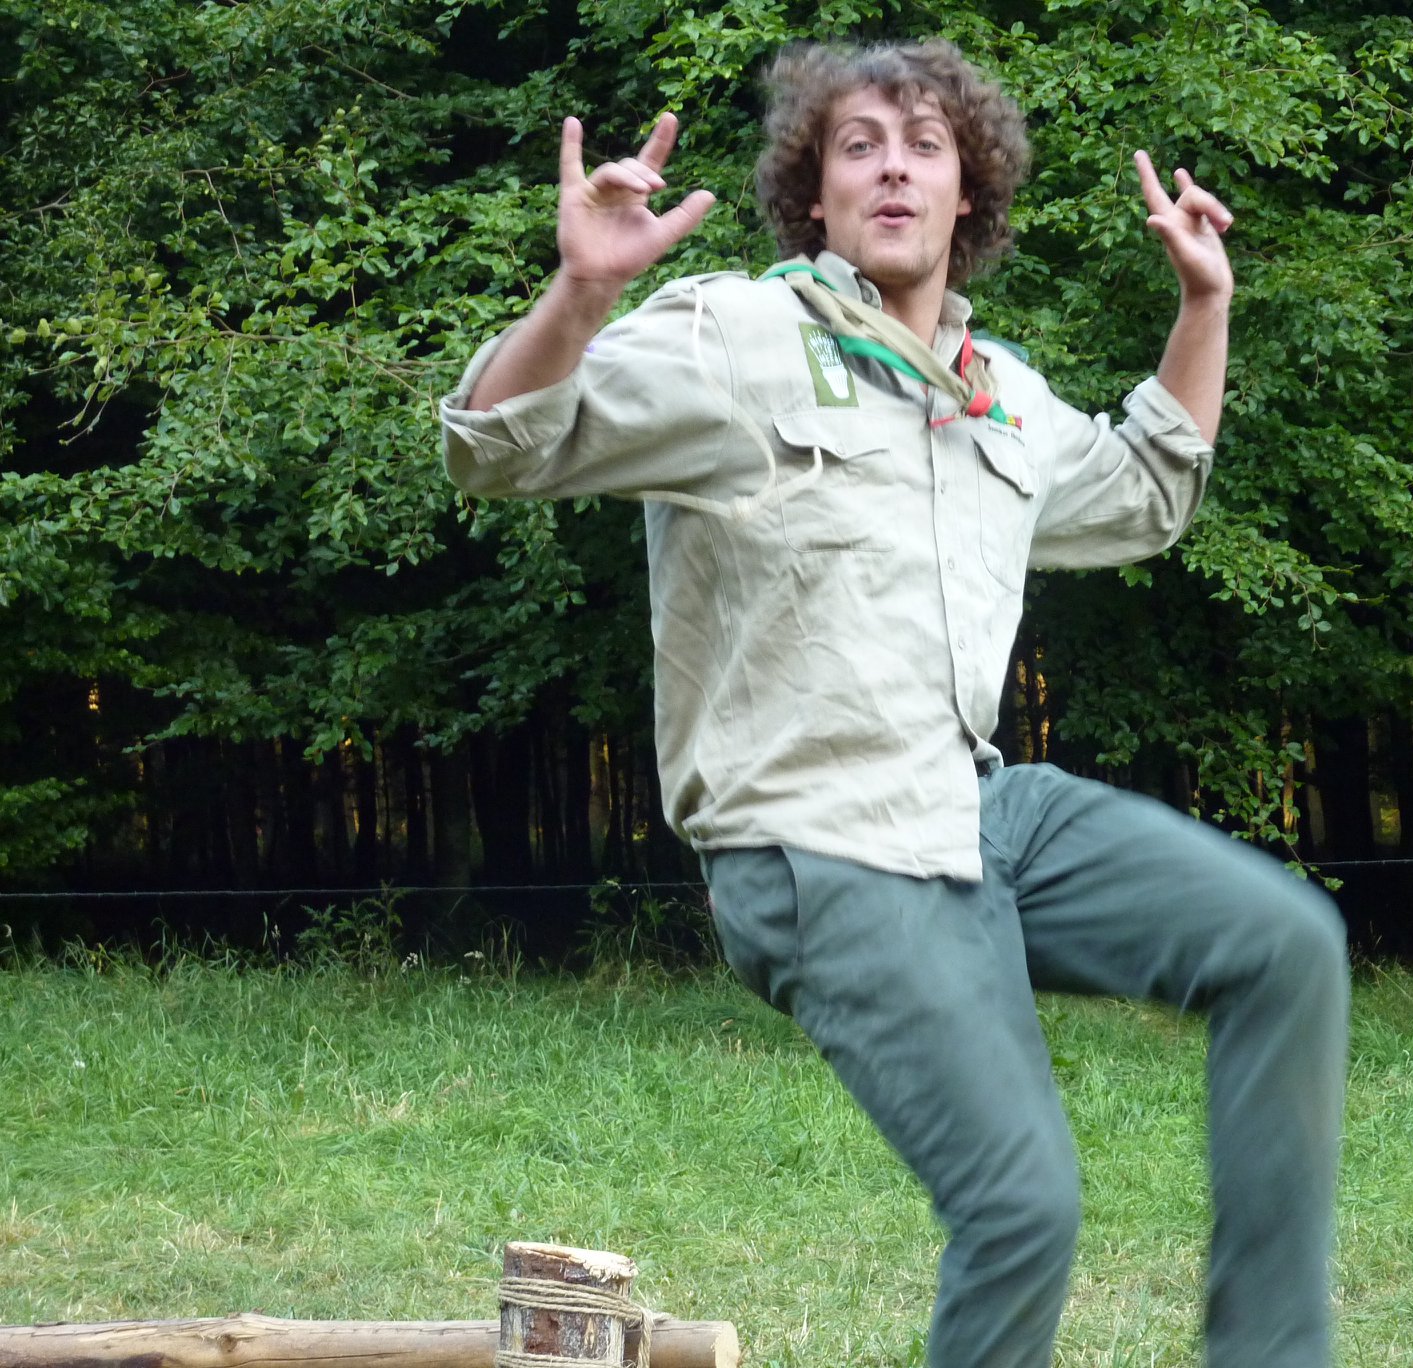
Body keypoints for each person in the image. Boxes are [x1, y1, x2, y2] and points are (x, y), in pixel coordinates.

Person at [441, 39, 1349, 1368]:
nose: (892, 170)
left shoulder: (997, 394)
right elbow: (494, 447)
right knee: (1023, 1205)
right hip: (816, 841)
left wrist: (1202, 305)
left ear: (966, 193)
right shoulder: (736, 338)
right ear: (812, 192)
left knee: (1286, 946)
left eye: (925, 147)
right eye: (857, 146)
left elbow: (1146, 494)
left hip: (972, 812)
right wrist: (581, 293)